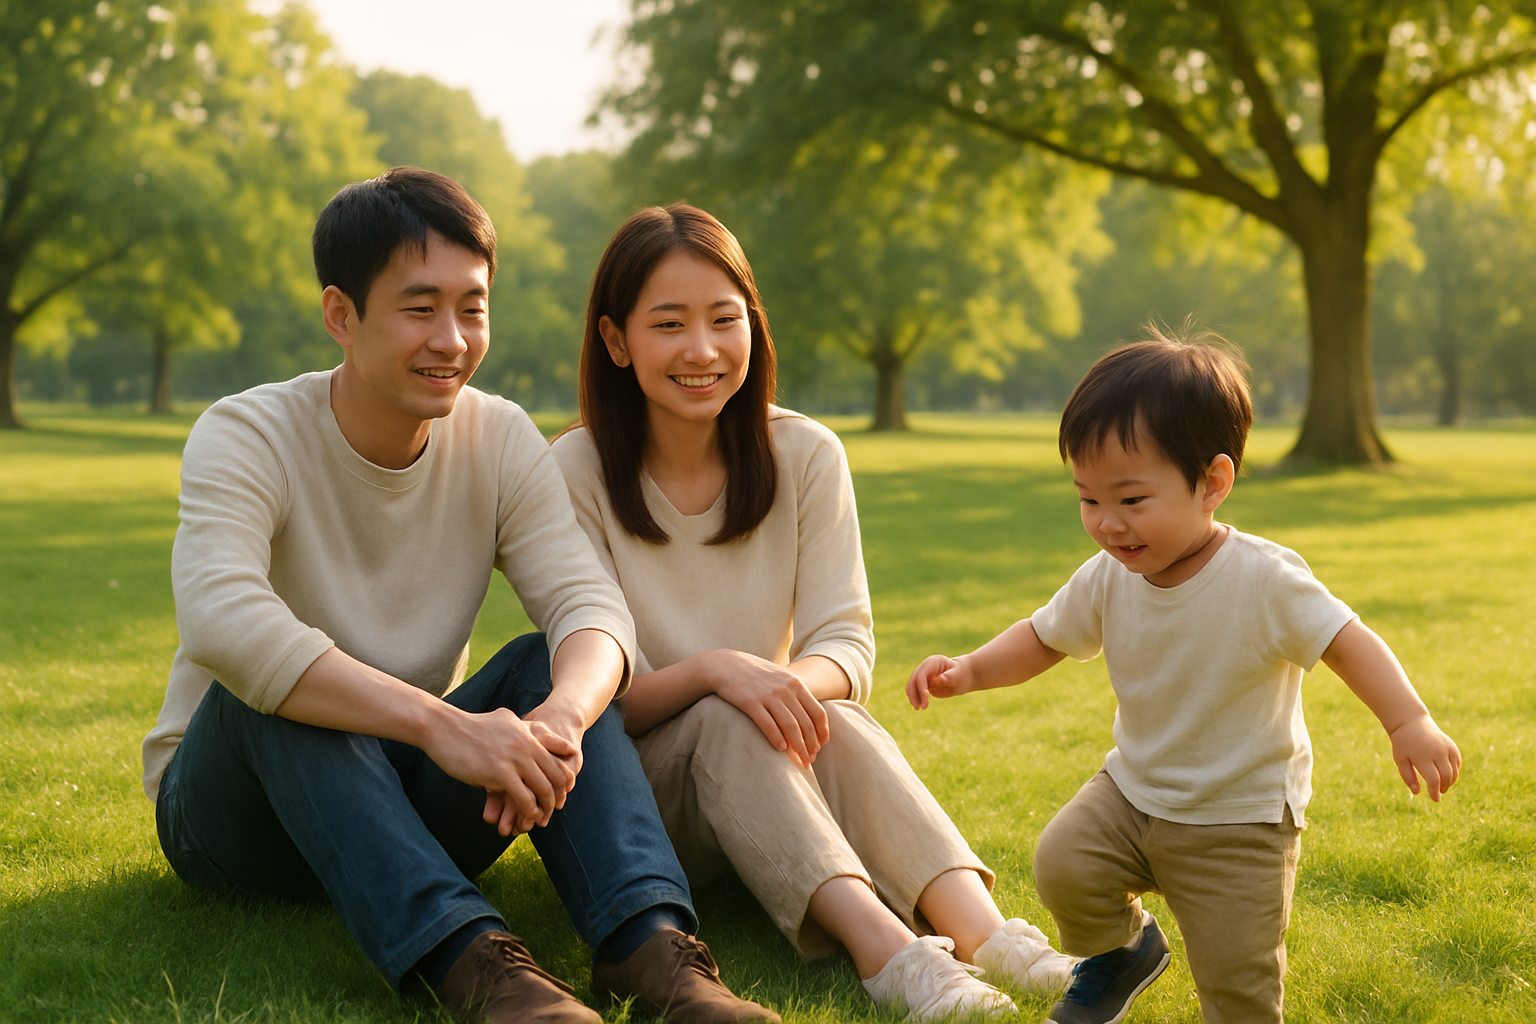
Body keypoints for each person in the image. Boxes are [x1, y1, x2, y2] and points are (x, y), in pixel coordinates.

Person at [141, 168, 778, 1024]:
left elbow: (591, 609)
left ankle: (653, 951)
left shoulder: (499, 437)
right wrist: (442, 726)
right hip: (236, 817)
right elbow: (222, 620)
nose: (451, 339)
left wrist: (560, 720)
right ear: (341, 315)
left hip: (404, 793)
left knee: (546, 665)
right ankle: (479, 969)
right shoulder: (247, 432)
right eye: (420, 308)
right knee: (276, 683)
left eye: (471, 308)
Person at [549, 203, 1077, 1023]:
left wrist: (778, 688)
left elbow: (845, 643)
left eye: (725, 319)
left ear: (753, 326)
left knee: (829, 713)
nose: (702, 349)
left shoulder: (805, 453)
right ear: (616, 341)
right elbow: (600, 699)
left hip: (777, 772)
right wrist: (725, 673)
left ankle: (994, 939)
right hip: (647, 800)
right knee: (730, 711)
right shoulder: (574, 470)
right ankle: (894, 959)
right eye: (669, 324)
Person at [906, 329, 1463, 1024]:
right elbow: (1043, 636)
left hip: (1239, 821)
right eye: (1088, 500)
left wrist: (1408, 720)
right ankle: (1124, 954)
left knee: (1236, 984)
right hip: (1132, 794)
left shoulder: (1264, 579)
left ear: (1212, 484)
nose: (1108, 524)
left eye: (1132, 500)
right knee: (1064, 864)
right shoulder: (1109, 575)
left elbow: (1347, 642)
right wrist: (969, 670)